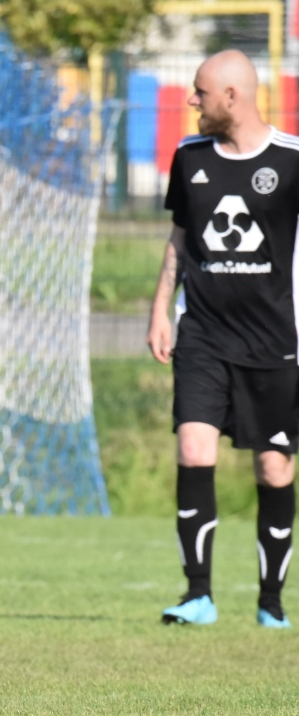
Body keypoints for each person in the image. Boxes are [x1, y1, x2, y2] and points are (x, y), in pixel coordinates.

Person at [147, 49, 299, 629]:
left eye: (201, 91)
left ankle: (271, 603)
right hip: (203, 336)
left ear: (232, 97)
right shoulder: (189, 157)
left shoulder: (291, 161)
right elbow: (179, 239)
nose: (192, 100)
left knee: (275, 468)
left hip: (276, 344)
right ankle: (198, 596)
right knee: (193, 449)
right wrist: (160, 309)